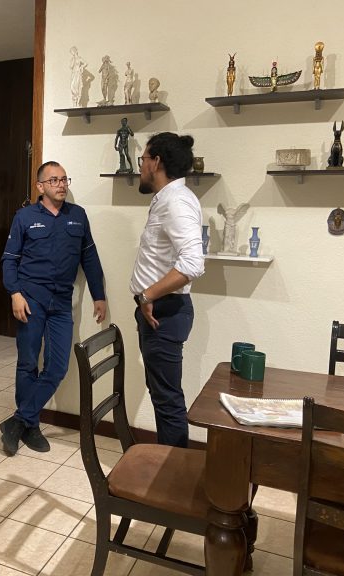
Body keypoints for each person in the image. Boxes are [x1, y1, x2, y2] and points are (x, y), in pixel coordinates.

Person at [0, 161, 107, 455]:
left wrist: (99, 295)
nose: (61, 185)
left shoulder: (77, 216)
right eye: (54, 180)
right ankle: (31, 425)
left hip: (61, 302)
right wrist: (15, 293)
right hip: (30, 300)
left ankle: (18, 421)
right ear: (40, 186)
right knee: (27, 363)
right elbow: (9, 259)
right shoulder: (25, 217)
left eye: (64, 179)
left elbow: (90, 258)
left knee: (58, 366)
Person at [131, 133, 204, 447]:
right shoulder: (168, 199)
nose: (141, 167)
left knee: (167, 400)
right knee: (163, 396)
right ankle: (169, 464)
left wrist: (148, 295)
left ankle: (174, 470)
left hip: (164, 312)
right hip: (159, 311)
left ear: (156, 162)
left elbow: (193, 264)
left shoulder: (176, 202)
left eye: (143, 159)